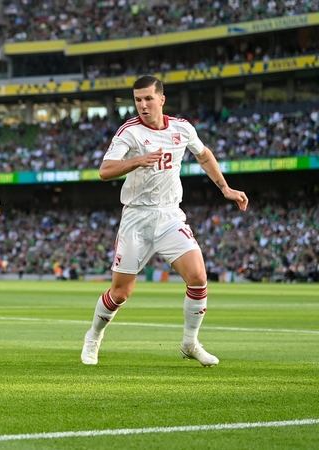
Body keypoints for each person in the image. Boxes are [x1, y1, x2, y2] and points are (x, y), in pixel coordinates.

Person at [80, 75, 249, 367]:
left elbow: (204, 155)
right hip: (137, 216)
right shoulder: (129, 132)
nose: (143, 105)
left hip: (170, 215)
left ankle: (190, 343)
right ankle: (93, 336)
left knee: (198, 277)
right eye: (138, 100)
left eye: (148, 98)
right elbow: (105, 171)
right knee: (121, 292)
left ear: (161, 99)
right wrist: (136, 160)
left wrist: (225, 188)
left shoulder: (182, 128)